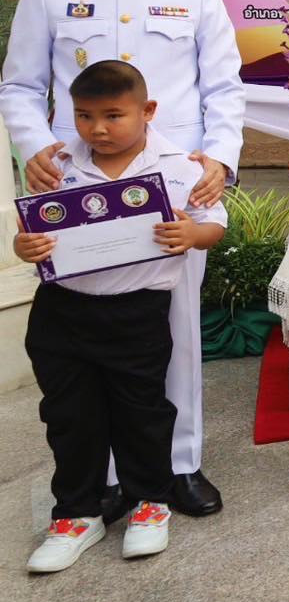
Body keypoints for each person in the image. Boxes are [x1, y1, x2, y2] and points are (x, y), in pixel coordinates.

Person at [0, 0, 244, 518]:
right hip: (78, 181)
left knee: (174, 327)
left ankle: (178, 464)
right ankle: (104, 475)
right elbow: (19, 86)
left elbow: (224, 88)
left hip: (171, 183)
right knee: (87, 327)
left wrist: (219, 159)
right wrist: (36, 148)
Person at [16, 62, 227, 572]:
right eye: (84, 116)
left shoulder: (180, 167)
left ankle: (150, 502)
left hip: (137, 312)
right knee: (69, 416)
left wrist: (192, 235)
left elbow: (213, 223)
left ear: (147, 110)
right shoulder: (56, 166)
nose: (98, 129)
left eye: (113, 116)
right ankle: (76, 514)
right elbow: (31, 229)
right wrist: (24, 247)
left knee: (142, 412)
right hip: (63, 310)